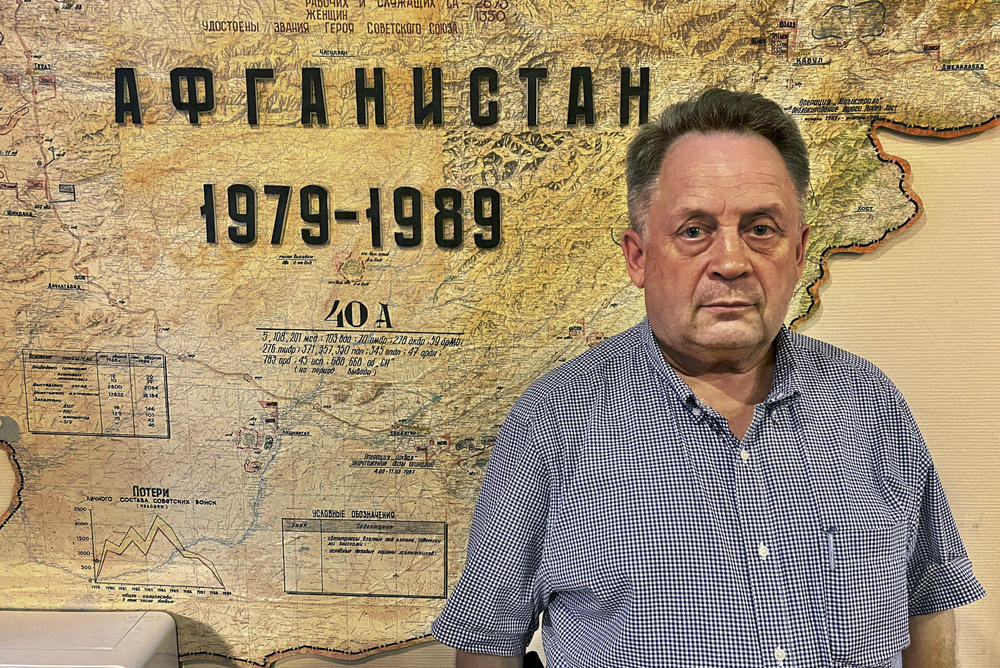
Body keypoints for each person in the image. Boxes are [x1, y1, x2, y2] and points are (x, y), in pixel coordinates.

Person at [431, 88, 986, 667]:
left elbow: (930, 601)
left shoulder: (869, 406)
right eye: (694, 230)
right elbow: (487, 644)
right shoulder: (552, 422)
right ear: (639, 257)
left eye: (762, 229)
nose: (730, 261)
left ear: (798, 253)